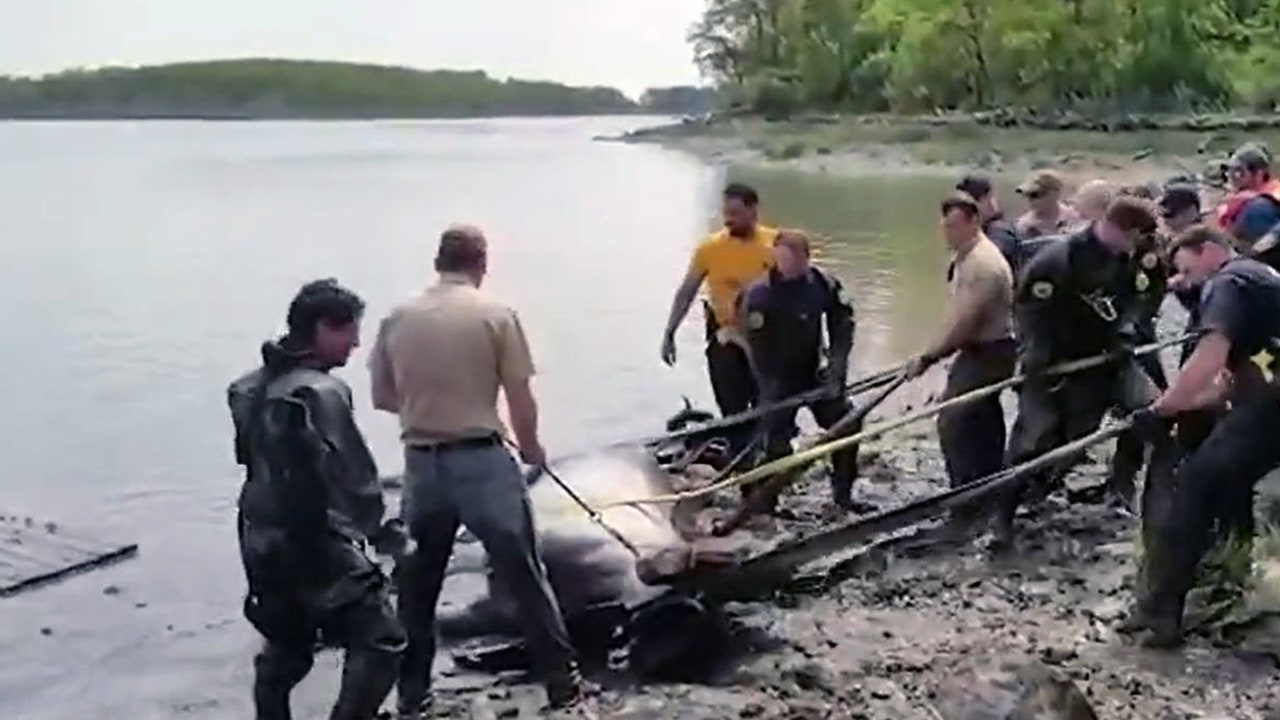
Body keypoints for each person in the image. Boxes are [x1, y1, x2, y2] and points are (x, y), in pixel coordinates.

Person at [369, 225, 591, 714]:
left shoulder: (398, 317)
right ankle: (562, 684)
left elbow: (383, 396)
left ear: (438, 261)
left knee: (418, 587)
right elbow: (519, 395)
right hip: (483, 460)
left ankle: (414, 695)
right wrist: (531, 447)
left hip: (422, 466)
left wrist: (429, 407)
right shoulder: (496, 315)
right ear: (481, 263)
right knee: (525, 577)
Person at [227, 279, 406, 720]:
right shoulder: (320, 392)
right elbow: (354, 473)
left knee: (289, 641)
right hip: (312, 540)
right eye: (350, 332)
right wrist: (381, 531)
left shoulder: (246, 388)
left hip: (257, 535)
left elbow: (250, 458)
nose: (357, 343)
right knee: (383, 638)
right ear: (324, 328)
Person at [1125, 225, 1280, 648]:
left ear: (1209, 250)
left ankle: (1161, 614)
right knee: (1231, 481)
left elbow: (1208, 359)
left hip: (1272, 406)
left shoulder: (1227, 283)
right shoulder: (1259, 277)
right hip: (1267, 396)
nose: (1184, 280)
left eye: (1187, 268)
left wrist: (1163, 408)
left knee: (1194, 485)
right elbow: (1226, 384)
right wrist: (1182, 406)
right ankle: (1230, 576)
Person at [997, 197, 1166, 546]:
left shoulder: (1137, 255)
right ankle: (1003, 516)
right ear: (1122, 230)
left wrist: (1129, 327)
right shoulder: (1059, 260)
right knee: (1034, 438)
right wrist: (1038, 359)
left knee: (1150, 410)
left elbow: (1147, 294)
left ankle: (1122, 487)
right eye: (1137, 238)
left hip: (1108, 358)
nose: (1140, 246)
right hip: (1057, 361)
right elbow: (1029, 312)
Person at [905, 194, 1015, 532]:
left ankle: (965, 500)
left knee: (953, 421)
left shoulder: (982, 264)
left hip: (990, 350)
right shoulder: (966, 257)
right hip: (983, 349)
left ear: (972, 221)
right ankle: (991, 486)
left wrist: (927, 357)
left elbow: (964, 323)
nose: (947, 232)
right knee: (982, 417)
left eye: (953, 225)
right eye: (944, 225)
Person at [736, 229, 861, 513]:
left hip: (813, 372)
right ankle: (766, 503)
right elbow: (757, 348)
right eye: (783, 260)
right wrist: (770, 390)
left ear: (807, 258)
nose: (789, 267)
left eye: (795, 261)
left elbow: (843, 322)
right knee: (775, 444)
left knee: (848, 424)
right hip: (777, 375)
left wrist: (837, 368)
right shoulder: (760, 295)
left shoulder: (821, 283)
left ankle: (843, 495)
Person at [660, 183, 778, 451]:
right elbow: (687, 291)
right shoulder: (710, 248)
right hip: (725, 336)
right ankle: (741, 461)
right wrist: (669, 333)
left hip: (766, 339)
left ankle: (769, 452)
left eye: (735, 213)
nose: (728, 220)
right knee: (731, 406)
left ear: (753, 210)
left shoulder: (775, 244)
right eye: (726, 213)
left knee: (769, 403)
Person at [1215, 144, 1280, 246]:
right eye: (1228, 170)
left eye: (1238, 171)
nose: (1231, 176)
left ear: (1259, 174)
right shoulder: (1241, 198)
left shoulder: (1260, 207)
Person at [956, 174, 1021, 270]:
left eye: (965, 206)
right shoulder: (983, 230)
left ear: (986, 200)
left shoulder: (1000, 232)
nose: (963, 211)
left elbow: (989, 262)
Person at [1014, 170, 1078, 239]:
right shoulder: (1025, 226)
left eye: (1035, 195)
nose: (1030, 200)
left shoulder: (1074, 216)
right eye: (1027, 195)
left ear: (1054, 194)